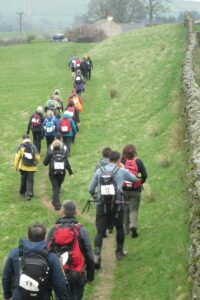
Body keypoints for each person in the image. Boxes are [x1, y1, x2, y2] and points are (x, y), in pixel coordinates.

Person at [88, 151, 138, 269]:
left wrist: (96, 197)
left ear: (108, 159)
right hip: (117, 205)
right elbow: (135, 180)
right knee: (119, 227)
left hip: (102, 205)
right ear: (119, 160)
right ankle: (119, 253)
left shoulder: (99, 171)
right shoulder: (121, 170)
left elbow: (90, 188)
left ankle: (96, 256)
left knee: (100, 232)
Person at [2, 223, 70, 300]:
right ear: (44, 238)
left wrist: (7, 296)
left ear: (28, 236)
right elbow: (59, 282)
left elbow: (6, 277)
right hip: (43, 296)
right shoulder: (51, 257)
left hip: (19, 296)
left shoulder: (15, 253)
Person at [47, 200, 95, 300]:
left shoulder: (53, 231)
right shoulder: (81, 230)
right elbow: (89, 254)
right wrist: (90, 275)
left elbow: (46, 254)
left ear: (62, 212)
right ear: (75, 212)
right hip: (77, 273)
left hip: (58, 274)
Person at [121, 144, 148, 238]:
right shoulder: (139, 162)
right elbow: (144, 175)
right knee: (134, 209)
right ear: (134, 152)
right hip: (136, 190)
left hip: (123, 190)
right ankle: (133, 226)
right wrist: (139, 181)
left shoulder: (122, 161)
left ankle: (125, 231)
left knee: (125, 210)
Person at [43, 139, 73, 210]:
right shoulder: (63, 154)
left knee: (56, 188)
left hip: (52, 174)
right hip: (62, 174)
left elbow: (44, 163)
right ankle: (55, 202)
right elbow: (67, 164)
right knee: (57, 187)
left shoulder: (51, 154)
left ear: (53, 146)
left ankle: (57, 204)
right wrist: (71, 173)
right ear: (60, 146)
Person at [14, 134, 40, 200]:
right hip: (32, 167)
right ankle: (29, 194)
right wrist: (36, 162)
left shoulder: (20, 147)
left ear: (23, 139)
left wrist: (16, 167)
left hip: (23, 167)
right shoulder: (33, 146)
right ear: (29, 139)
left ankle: (22, 192)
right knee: (30, 180)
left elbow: (17, 158)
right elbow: (37, 157)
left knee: (23, 179)